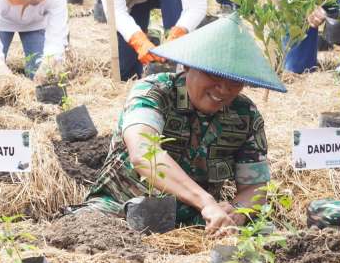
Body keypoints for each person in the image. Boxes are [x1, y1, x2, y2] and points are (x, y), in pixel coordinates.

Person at [83, 13, 285, 236]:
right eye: (213, 75)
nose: (224, 89)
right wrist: (206, 201)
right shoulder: (154, 93)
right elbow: (143, 153)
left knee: (272, 237)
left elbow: (255, 187)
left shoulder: (245, 115)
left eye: (235, 81)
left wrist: (238, 211)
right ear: (188, 67)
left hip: (196, 224)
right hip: (120, 210)